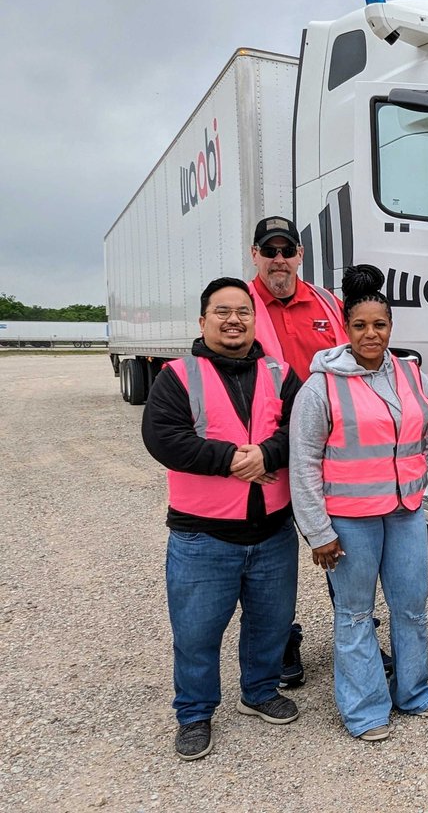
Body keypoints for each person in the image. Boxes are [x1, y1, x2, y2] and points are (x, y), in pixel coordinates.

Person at [142, 276, 303, 761]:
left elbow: (306, 428)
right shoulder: (177, 375)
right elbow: (164, 437)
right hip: (203, 535)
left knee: (271, 624)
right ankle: (194, 713)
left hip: (273, 531)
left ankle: (258, 692)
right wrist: (233, 459)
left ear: (255, 320)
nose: (234, 320)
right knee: (196, 632)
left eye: (243, 312)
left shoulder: (280, 373)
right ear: (203, 320)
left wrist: (270, 453)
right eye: (222, 312)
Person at [289, 264, 428, 741]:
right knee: (355, 614)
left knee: (411, 604)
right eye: (360, 325)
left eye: (379, 325)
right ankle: (365, 709)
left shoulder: (411, 374)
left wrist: (414, 472)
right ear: (346, 328)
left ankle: (413, 691)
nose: (371, 333)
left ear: (391, 328)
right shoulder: (321, 386)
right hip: (349, 521)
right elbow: (303, 462)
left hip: (404, 514)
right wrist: (318, 531)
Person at [246, 215, 348, 688]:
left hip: (329, 452)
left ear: (301, 256)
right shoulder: (240, 305)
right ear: (256, 256)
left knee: (341, 547)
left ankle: (356, 630)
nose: (279, 260)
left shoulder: (328, 302)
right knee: (273, 556)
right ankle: (281, 642)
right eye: (270, 251)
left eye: (288, 251)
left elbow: (351, 368)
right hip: (268, 454)